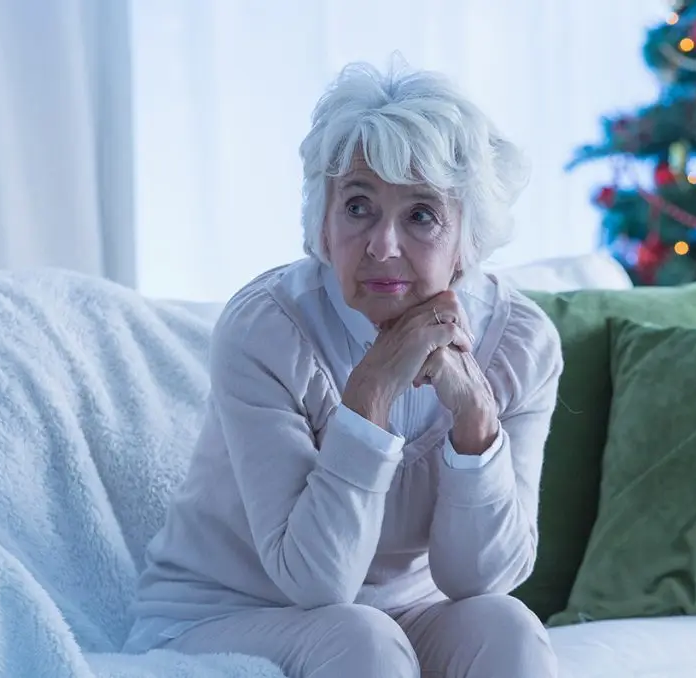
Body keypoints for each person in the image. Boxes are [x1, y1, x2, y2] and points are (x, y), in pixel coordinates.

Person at [124, 58, 564, 678]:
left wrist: (474, 417)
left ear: (468, 237)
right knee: (357, 636)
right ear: (323, 225)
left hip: (405, 619)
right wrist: (372, 394)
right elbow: (316, 580)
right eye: (358, 207)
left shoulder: (521, 343)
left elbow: (481, 579)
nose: (382, 245)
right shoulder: (268, 331)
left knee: (507, 626)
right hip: (226, 615)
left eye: (420, 214)